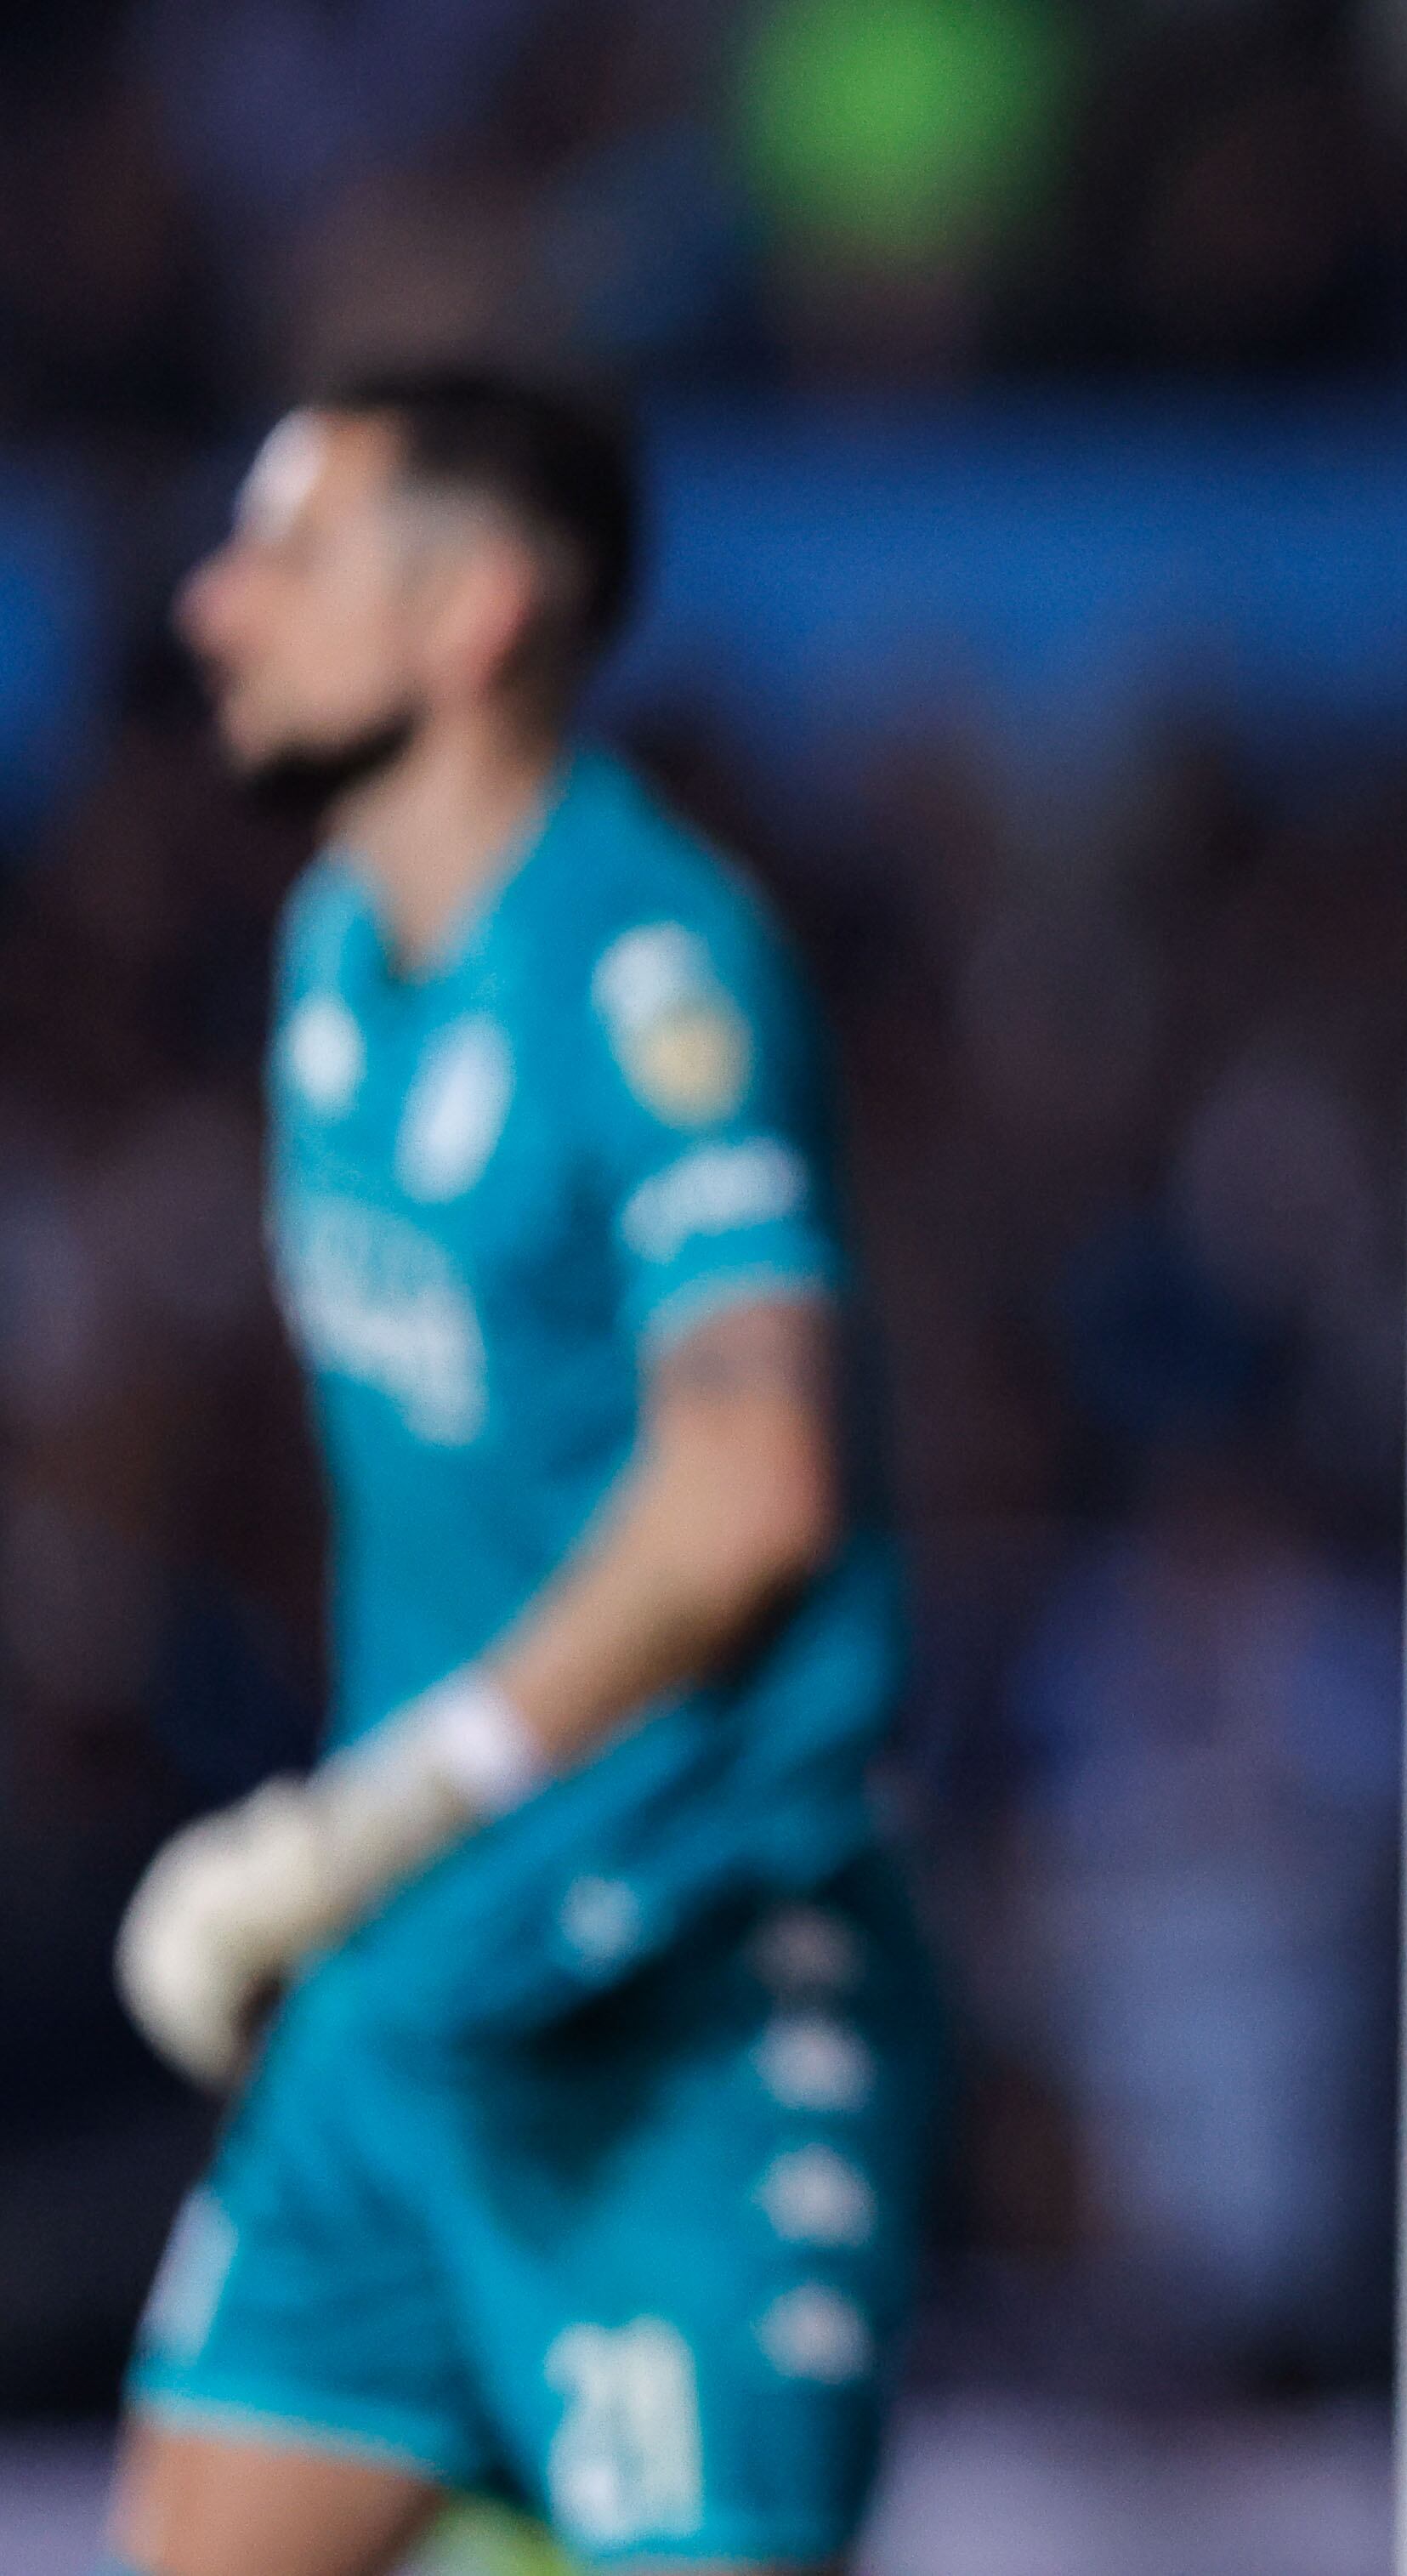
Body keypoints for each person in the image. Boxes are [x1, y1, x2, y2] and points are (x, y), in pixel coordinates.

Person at [105, 368, 936, 2576]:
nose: (213, 608)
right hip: (408, 1994)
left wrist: (361, 1814)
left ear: (471, 612)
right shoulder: (327, 964)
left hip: (671, 2007)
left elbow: (749, 1490)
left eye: (282, 553)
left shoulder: (655, 970)